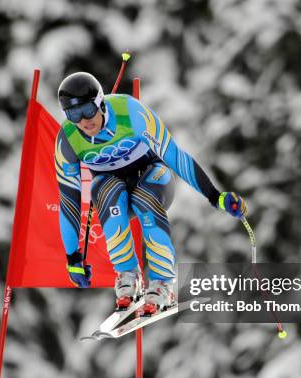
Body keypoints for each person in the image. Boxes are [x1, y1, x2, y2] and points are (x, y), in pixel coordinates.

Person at [55, 72, 247, 315]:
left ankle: (162, 284)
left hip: (153, 177)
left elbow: (177, 158)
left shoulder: (130, 113)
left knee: (144, 198)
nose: (83, 120)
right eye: (73, 114)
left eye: (88, 110)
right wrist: (72, 258)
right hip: (115, 191)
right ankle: (128, 277)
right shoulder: (68, 139)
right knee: (103, 190)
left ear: (100, 103)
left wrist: (214, 196)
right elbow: (69, 200)